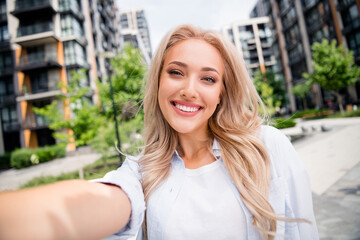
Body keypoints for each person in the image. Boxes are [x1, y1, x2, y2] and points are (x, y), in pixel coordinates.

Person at [0, 25, 318, 240]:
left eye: (208, 79)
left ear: (222, 92)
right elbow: (87, 204)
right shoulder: (142, 172)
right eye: (176, 72)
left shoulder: (266, 146)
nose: (189, 90)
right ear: (158, 82)